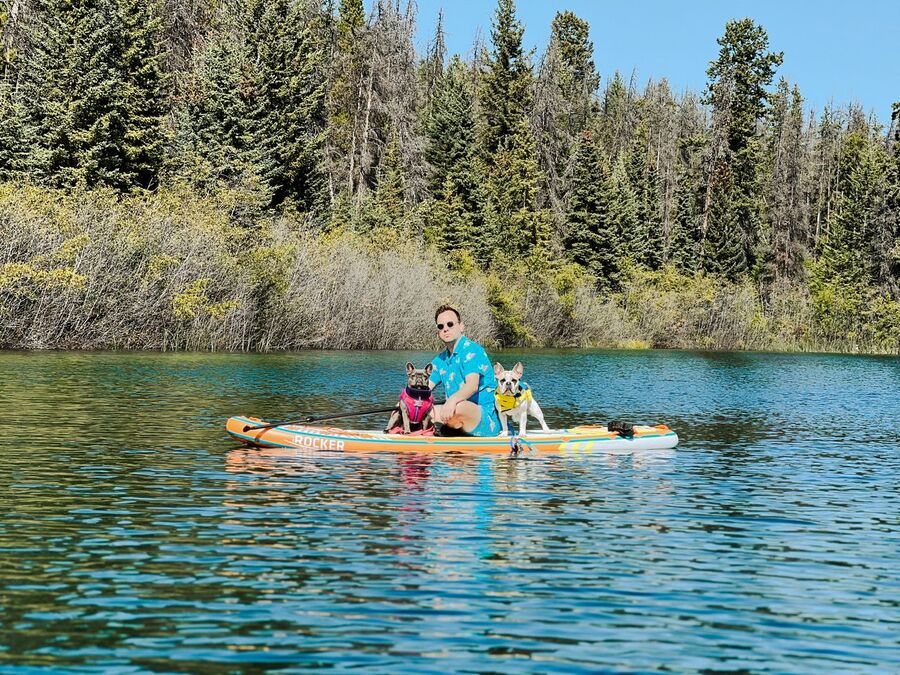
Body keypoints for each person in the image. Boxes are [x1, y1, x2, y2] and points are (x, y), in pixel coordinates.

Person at [428, 305, 501, 437]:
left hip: (485, 418)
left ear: (461, 326)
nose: (445, 329)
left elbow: (472, 386)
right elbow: (423, 388)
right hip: (454, 414)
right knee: (424, 411)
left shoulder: (471, 350)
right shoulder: (440, 360)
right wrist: (405, 403)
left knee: (459, 407)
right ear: (438, 332)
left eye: (450, 324)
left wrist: (451, 401)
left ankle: (446, 430)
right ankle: (446, 431)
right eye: (441, 326)